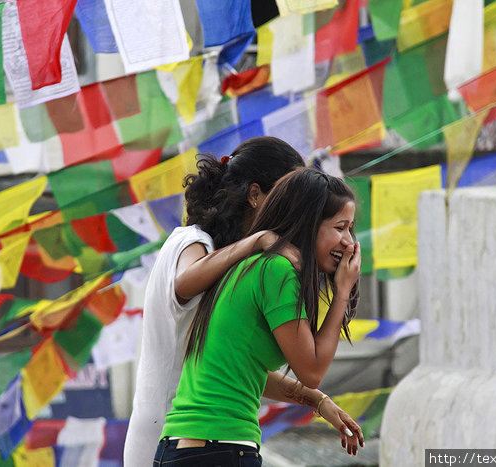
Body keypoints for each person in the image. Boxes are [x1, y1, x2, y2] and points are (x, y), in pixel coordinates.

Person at [123, 138, 362, 466]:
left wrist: (316, 401)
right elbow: (183, 283)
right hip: (177, 431)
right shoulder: (194, 241)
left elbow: (241, 367)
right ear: (255, 195)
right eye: (286, 193)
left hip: (183, 440)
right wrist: (259, 241)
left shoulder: (249, 269)